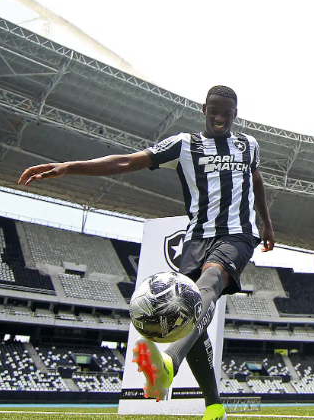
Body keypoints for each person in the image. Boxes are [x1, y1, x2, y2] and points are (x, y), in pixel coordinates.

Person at [18, 85, 274, 420]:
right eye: (215, 110)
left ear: (236, 113)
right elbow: (125, 161)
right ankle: (214, 407)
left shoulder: (248, 145)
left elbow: (255, 180)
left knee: (208, 284)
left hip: (238, 235)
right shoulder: (184, 144)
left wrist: (266, 224)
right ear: (204, 109)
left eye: (228, 112)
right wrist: (69, 166)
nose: (221, 118)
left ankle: (168, 361)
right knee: (188, 314)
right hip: (196, 239)